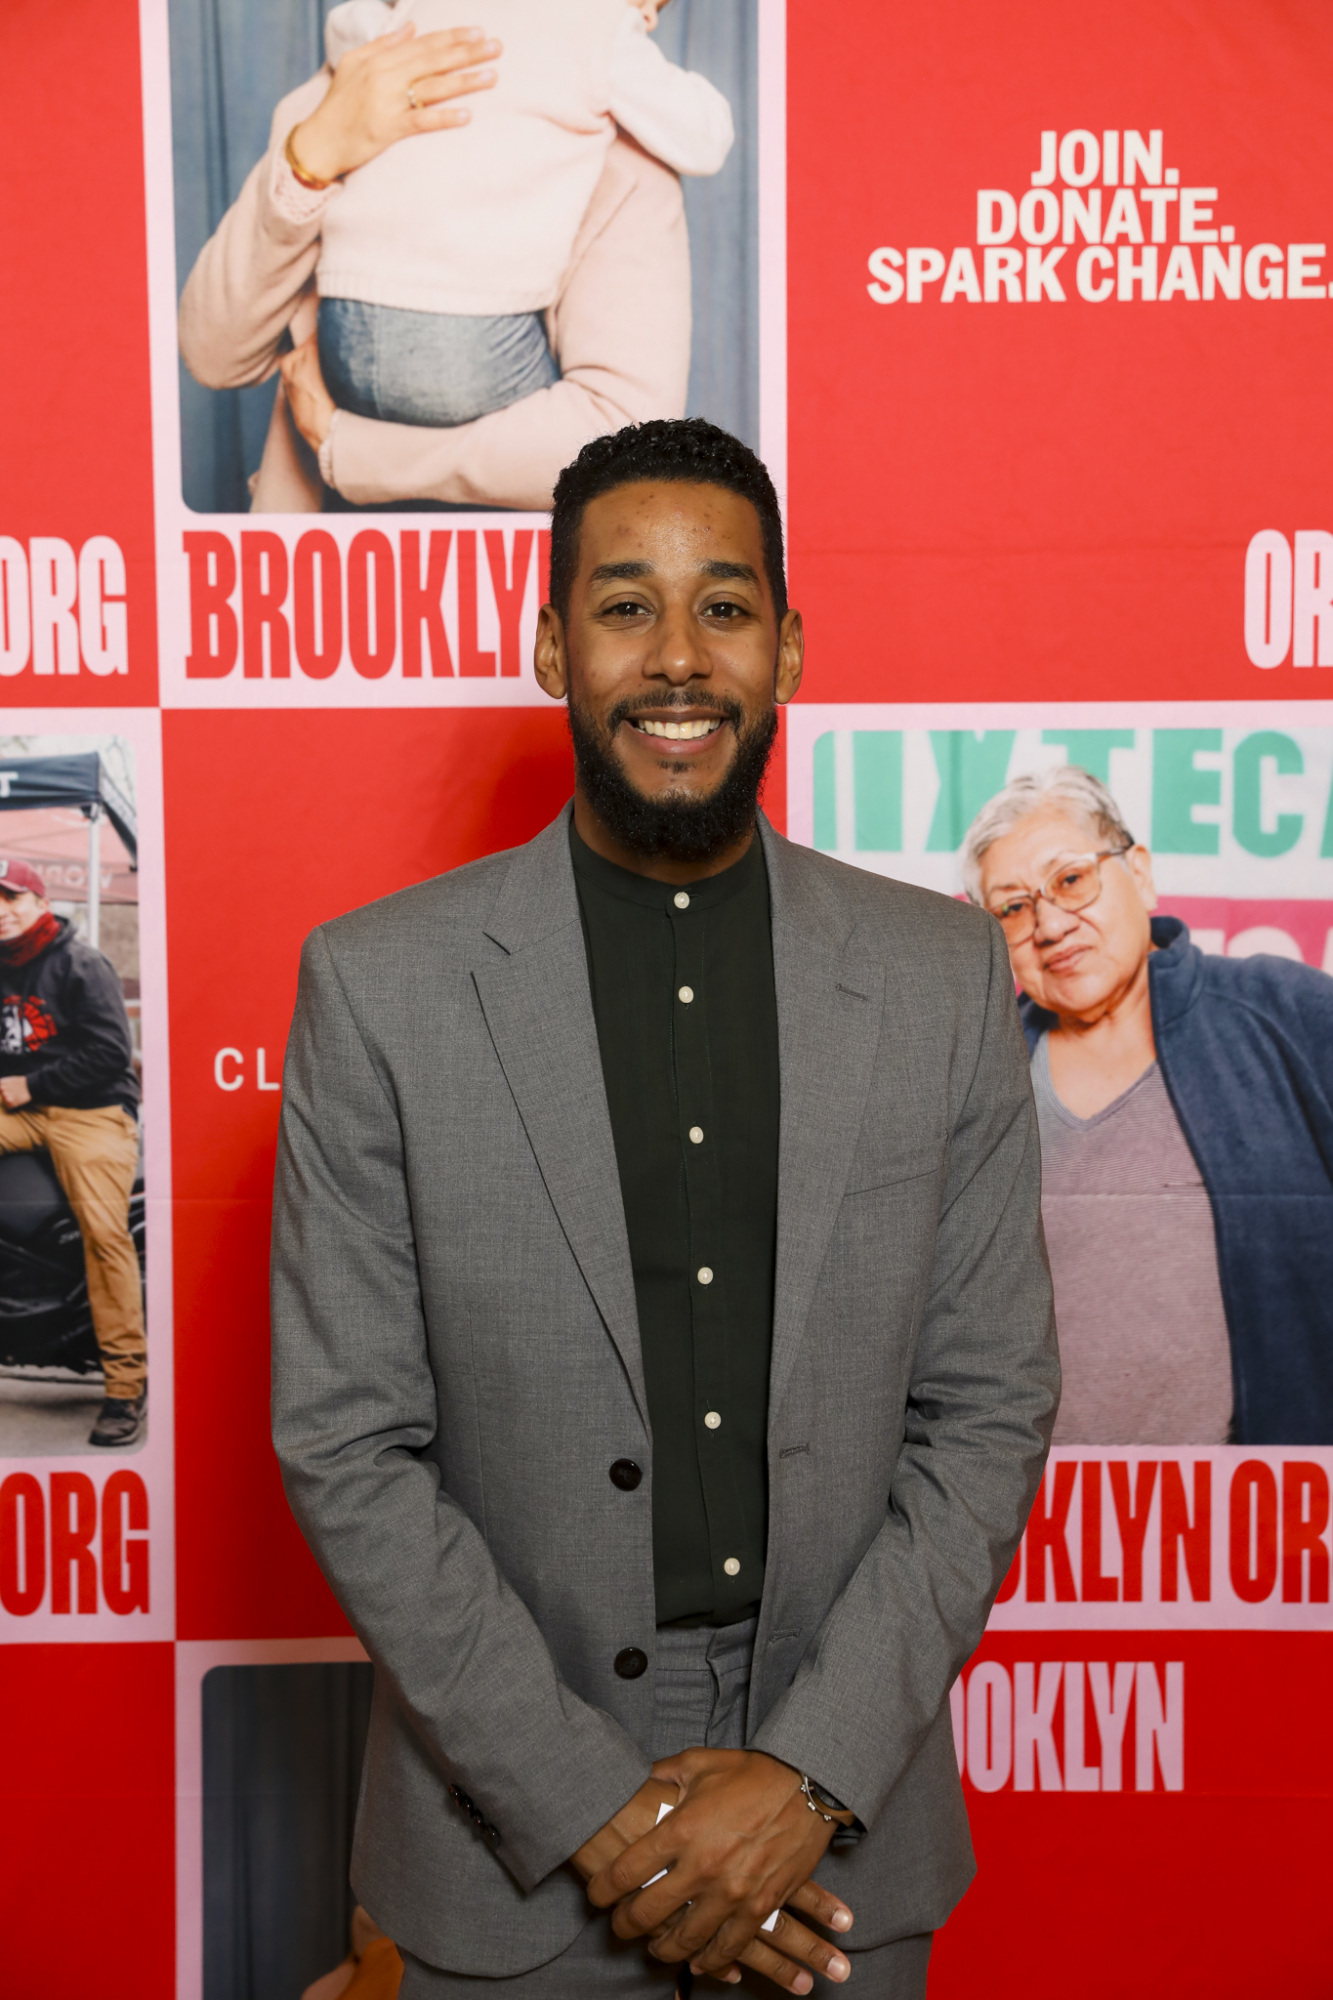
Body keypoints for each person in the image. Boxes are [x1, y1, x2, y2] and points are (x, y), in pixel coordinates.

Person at [271, 419, 1058, 1997]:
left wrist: (807, 1772)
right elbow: (346, 1444)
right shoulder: (380, 987)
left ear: (790, 642)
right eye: (625, 606)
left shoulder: (940, 974)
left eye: (726, 605)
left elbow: (986, 1409)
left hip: (839, 1838)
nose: (678, 659)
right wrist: (588, 1807)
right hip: (499, 1843)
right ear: (552, 641)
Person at [964, 764, 1333, 1447]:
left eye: (1070, 879)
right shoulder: (973, 1083)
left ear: (1137, 872)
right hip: (1042, 1532)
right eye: (1012, 908)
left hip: (1269, 1525)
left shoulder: (1291, 1016)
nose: (1048, 924)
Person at [179, 29, 691, 511]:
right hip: (321, 567)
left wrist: (351, 449)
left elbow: (623, 434)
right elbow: (214, 354)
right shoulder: (345, 96)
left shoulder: (621, 152)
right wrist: (312, 155)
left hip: (513, 580)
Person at [308, 0, 731, 432]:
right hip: (467, 343)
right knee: (578, 438)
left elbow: (344, 31)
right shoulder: (600, 24)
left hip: (342, 329)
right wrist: (627, 24)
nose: (651, 17)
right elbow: (707, 137)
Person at [0, 860, 145, 1448]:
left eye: (11, 897)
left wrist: (32, 1086)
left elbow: (113, 1052)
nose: (2, 910)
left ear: (38, 901)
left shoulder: (80, 963)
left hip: (92, 1112)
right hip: (20, 1111)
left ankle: (125, 1386)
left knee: (105, 1234)